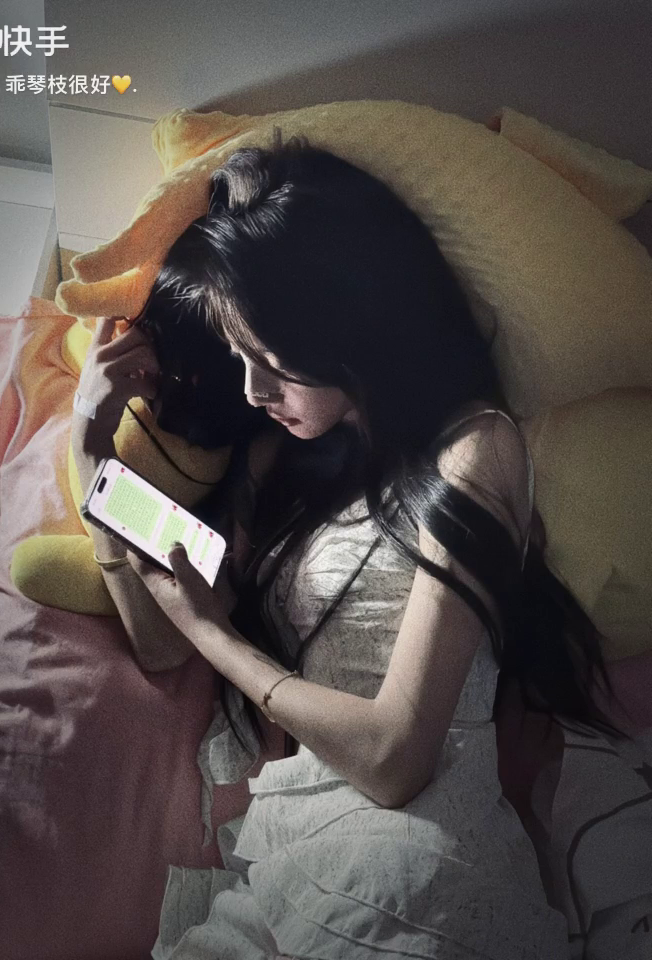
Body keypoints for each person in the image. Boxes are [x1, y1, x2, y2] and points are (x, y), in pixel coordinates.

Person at [72, 133, 626, 959]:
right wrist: (91, 453)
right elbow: (160, 640)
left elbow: (398, 758)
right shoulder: (278, 462)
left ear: (348, 330)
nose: (254, 390)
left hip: (412, 869)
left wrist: (214, 635)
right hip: (286, 864)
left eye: (271, 360)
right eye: (239, 355)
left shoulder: (476, 450)